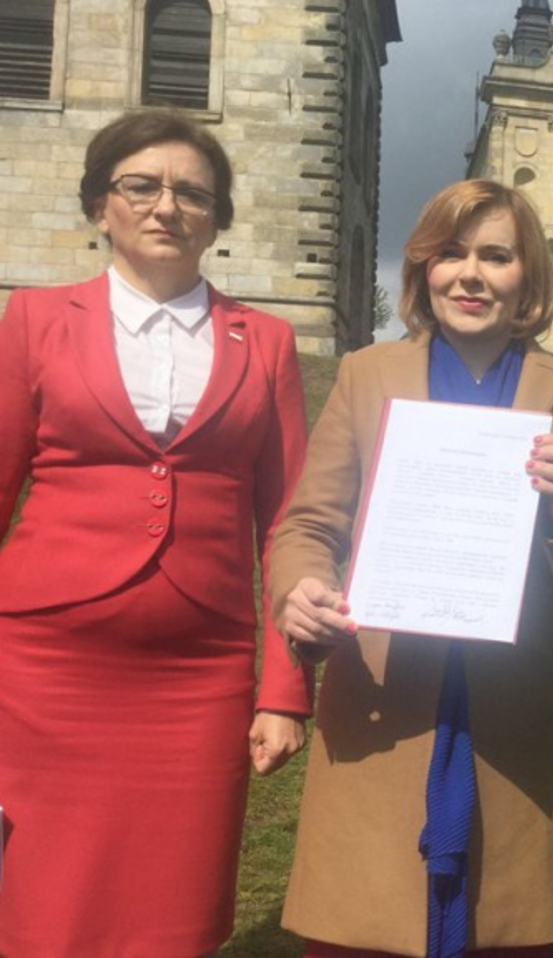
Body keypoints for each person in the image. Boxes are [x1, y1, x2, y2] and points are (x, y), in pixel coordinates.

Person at [269, 179, 553, 958]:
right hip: (383, 693)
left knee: (502, 925)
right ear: (423, 269)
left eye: (495, 256)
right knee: (366, 922)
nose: (470, 275)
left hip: (511, 703)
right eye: (451, 254)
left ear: (528, 277)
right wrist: (300, 587)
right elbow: (308, 524)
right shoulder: (368, 374)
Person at [0, 109, 311, 957]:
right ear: (101, 206)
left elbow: (288, 525)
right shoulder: (35, 320)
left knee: (174, 906)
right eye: (141, 186)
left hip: (198, 673)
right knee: (42, 905)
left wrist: (285, 688)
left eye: (192, 193)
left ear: (217, 219)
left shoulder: (268, 342)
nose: (166, 206)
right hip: (43, 668)